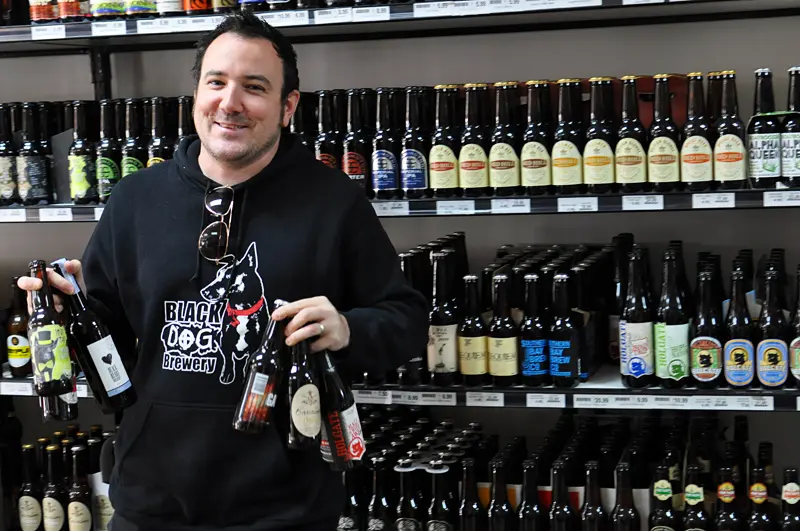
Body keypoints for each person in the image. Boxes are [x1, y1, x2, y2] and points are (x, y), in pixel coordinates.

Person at [18, 12, 428, 531]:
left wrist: (348, 329)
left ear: (287, 107)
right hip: (152, 502)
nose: (230, 103)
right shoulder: (135, 199)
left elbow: (407, 320)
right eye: (216, 82)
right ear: (197, 93)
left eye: (254, 87)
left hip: (286, 508)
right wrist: (67, 310)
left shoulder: (335, 203)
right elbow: (112, 347)